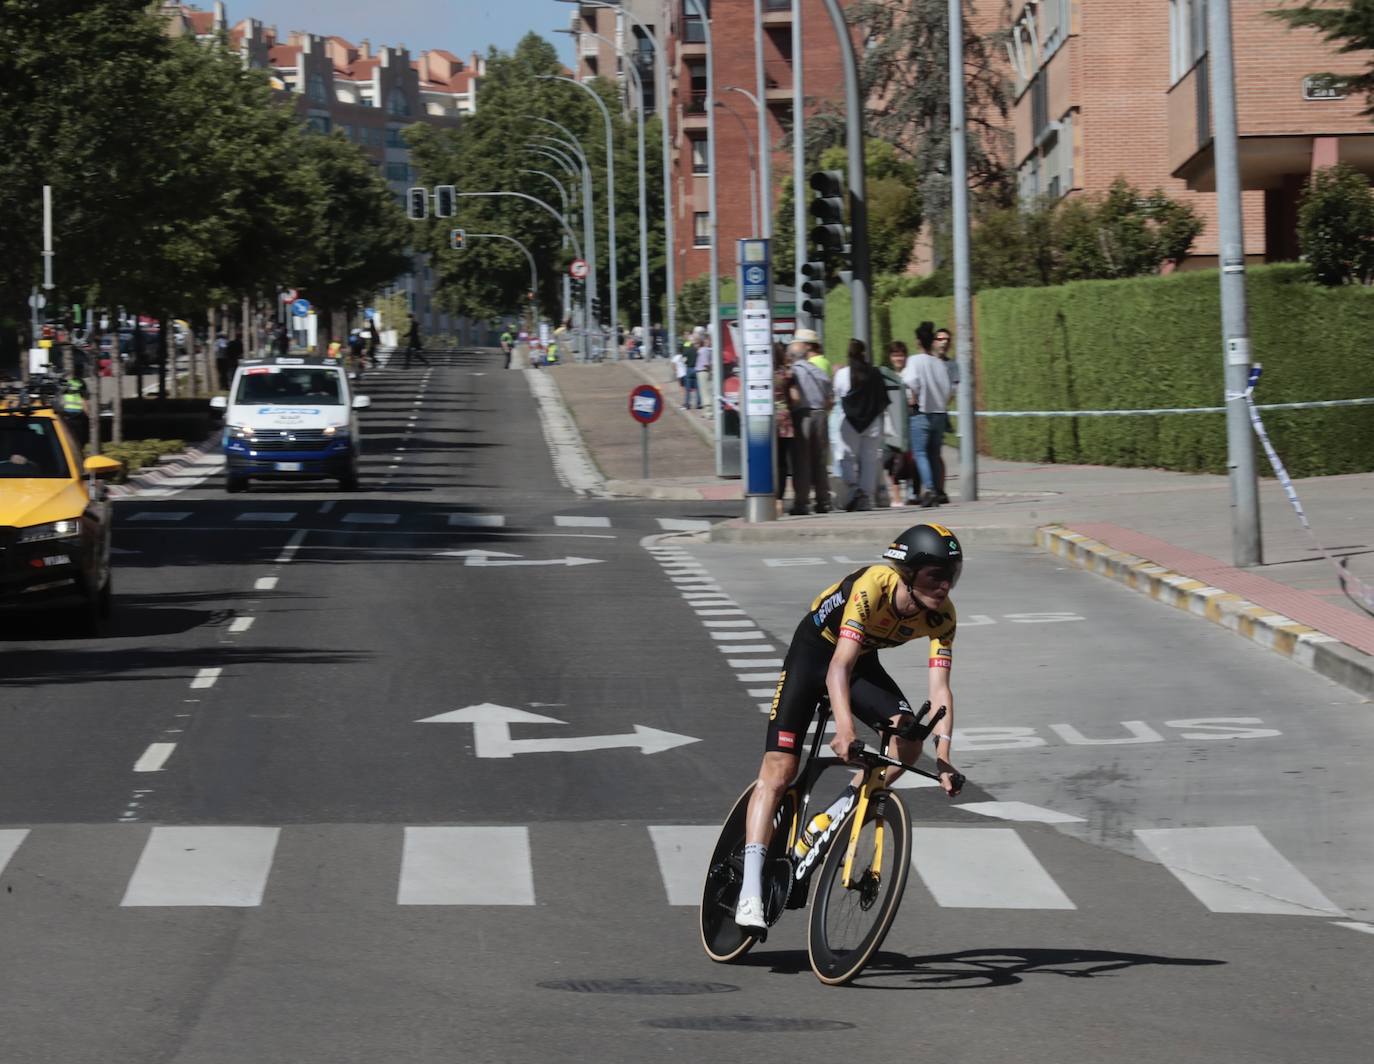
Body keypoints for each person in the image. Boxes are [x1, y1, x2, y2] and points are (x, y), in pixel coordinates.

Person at [733, 523, 966, 929]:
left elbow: (941, 690)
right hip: (816, 654)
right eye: (935, 575)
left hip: (860, 662)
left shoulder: (942, 617)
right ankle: (749, 889)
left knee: (909, 737)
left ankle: (836, 810)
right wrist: (845, 728)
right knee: (780, 767)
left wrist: (943, 757)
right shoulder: (873, 586)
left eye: (952, 575)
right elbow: (836, 667)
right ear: (907, 573)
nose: (945, 586)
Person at [833, 338, 888, 512]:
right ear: (864, 353)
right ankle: (865, 496)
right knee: (870, 460)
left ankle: (854, 489)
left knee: (847, 457)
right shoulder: (875, 373)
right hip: (872, 422)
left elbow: (837, 395)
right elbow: (883, 399)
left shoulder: (842, 374)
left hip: (849, 422)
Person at [786, 334, 833, 515]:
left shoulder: (793, 372)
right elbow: (830, 394)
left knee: (802, 461)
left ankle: (802, 503)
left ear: (791, 356)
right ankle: (824, 501)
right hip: (820, 414)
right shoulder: (818, 370)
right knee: (820, 460)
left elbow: (794, 397)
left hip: (803, 415)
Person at [909, 324, 953, 508]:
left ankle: (929, 489)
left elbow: (911, 381)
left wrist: (914, 396)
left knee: (920, 453)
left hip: (922, 412)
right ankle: (937, 488)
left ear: (918, 341)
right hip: (939, 413)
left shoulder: (915, 361)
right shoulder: (939, 363)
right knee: (934, 454)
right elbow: (948, 389)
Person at [879, 342, 915, 507]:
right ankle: (896, 498)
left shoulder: (910, 374)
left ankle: (911, 494)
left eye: (900, 355)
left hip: (908, 423)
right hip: (890, 425)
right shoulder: (886, 376)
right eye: (895, 355)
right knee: (892, 462)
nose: (898, 358)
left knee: (907, 462)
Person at [773, 341, 797, 513]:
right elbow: (796, 398)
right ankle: (779, 500)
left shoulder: (758, 374)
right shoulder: (786, 375)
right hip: (784, 419)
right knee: (782, 462)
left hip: (763, 420)